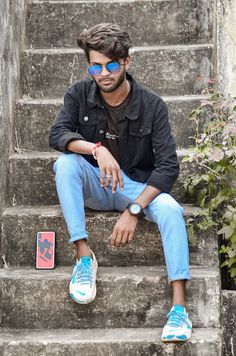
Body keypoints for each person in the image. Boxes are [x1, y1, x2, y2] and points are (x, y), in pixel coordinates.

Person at [48, 23, 192, 342]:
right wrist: (96, 149)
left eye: (111, 65)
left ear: (127, 62)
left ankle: (179, 310)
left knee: (169, 209)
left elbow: (168, 167)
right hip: (97, 184)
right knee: (66, 165)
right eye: (96, 66)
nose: (104, 73)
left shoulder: (152, 105)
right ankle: (84, 257)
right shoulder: (78, 95)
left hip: (136, 188)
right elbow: (57, 135)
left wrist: (135, 208)